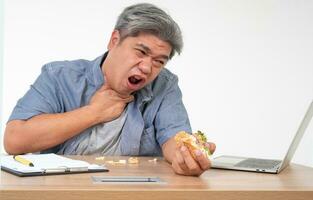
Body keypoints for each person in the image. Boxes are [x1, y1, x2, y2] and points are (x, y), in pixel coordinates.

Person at [4, 3, 215, 176]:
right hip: (64, 191)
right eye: (141, 52)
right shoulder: (59, 76)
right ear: (114, 41)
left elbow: (173, 137)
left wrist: (185, 155)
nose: (147, 68)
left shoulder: (165, 85)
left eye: (159, 61)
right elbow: (14, 140)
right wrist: (94, 112)